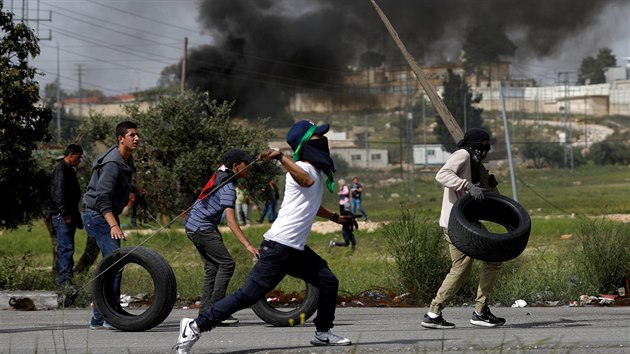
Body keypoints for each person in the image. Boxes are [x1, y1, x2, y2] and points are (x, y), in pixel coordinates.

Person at [174, 120, 357, 353]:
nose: (322, 139)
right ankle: (195, 325)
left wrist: (335, 218)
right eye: (317, 136)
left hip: (293, 248)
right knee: (248, 296)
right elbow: (305, 180)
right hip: (278, 247)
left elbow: (311, 204)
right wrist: (281, 157)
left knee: (328, 281)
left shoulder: (311, 171)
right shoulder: (300, 169)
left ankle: (322, 333)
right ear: (304, 143)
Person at [421, 128, 504, 330]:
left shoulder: (476, 164)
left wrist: (490, 186)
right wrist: (466, 185)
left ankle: (480, 311)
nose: (486, 149)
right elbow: (442, 175)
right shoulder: (463, 155)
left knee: (492, 258)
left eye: (488, 145)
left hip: (469, 222)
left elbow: (485, 195)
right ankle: (434, 312)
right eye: (483, 145)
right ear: (474, 145)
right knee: (461, 269)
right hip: (457, 224)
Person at [184, 149, 260, 325]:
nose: (248, 167)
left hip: (192, 225)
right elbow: (231, 222)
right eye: (245, 164)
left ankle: (206, 313)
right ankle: (217, 312)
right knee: (227, 264)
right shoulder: (228, 187)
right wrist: (248, 245)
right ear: (235, 166)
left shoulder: (222, 173)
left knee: (212, 267)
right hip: (202, 228)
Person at [82, 121, 141, 330]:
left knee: (110, 265)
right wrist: (114, 226)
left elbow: (119, 183)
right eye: (132, 135)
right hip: (97, 216)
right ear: (121, 139)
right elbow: (102, 198)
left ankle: (100, 316)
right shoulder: (112, 164)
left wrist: (134, 189)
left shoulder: (127, 159)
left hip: (102, 214)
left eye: (137, 135)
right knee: (115, 264)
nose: (136, 138)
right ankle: (109, 315)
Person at [50, 144, 84, 290]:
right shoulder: (61, 169)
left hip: (67, 216)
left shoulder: (68, 170)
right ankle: (64, 284)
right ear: (71, 154)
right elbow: (58, 194)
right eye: (78, 157)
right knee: (66, 249)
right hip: (62, 217)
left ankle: (67, 281)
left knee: (68, 249)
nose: (79, 160)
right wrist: (65, 214)